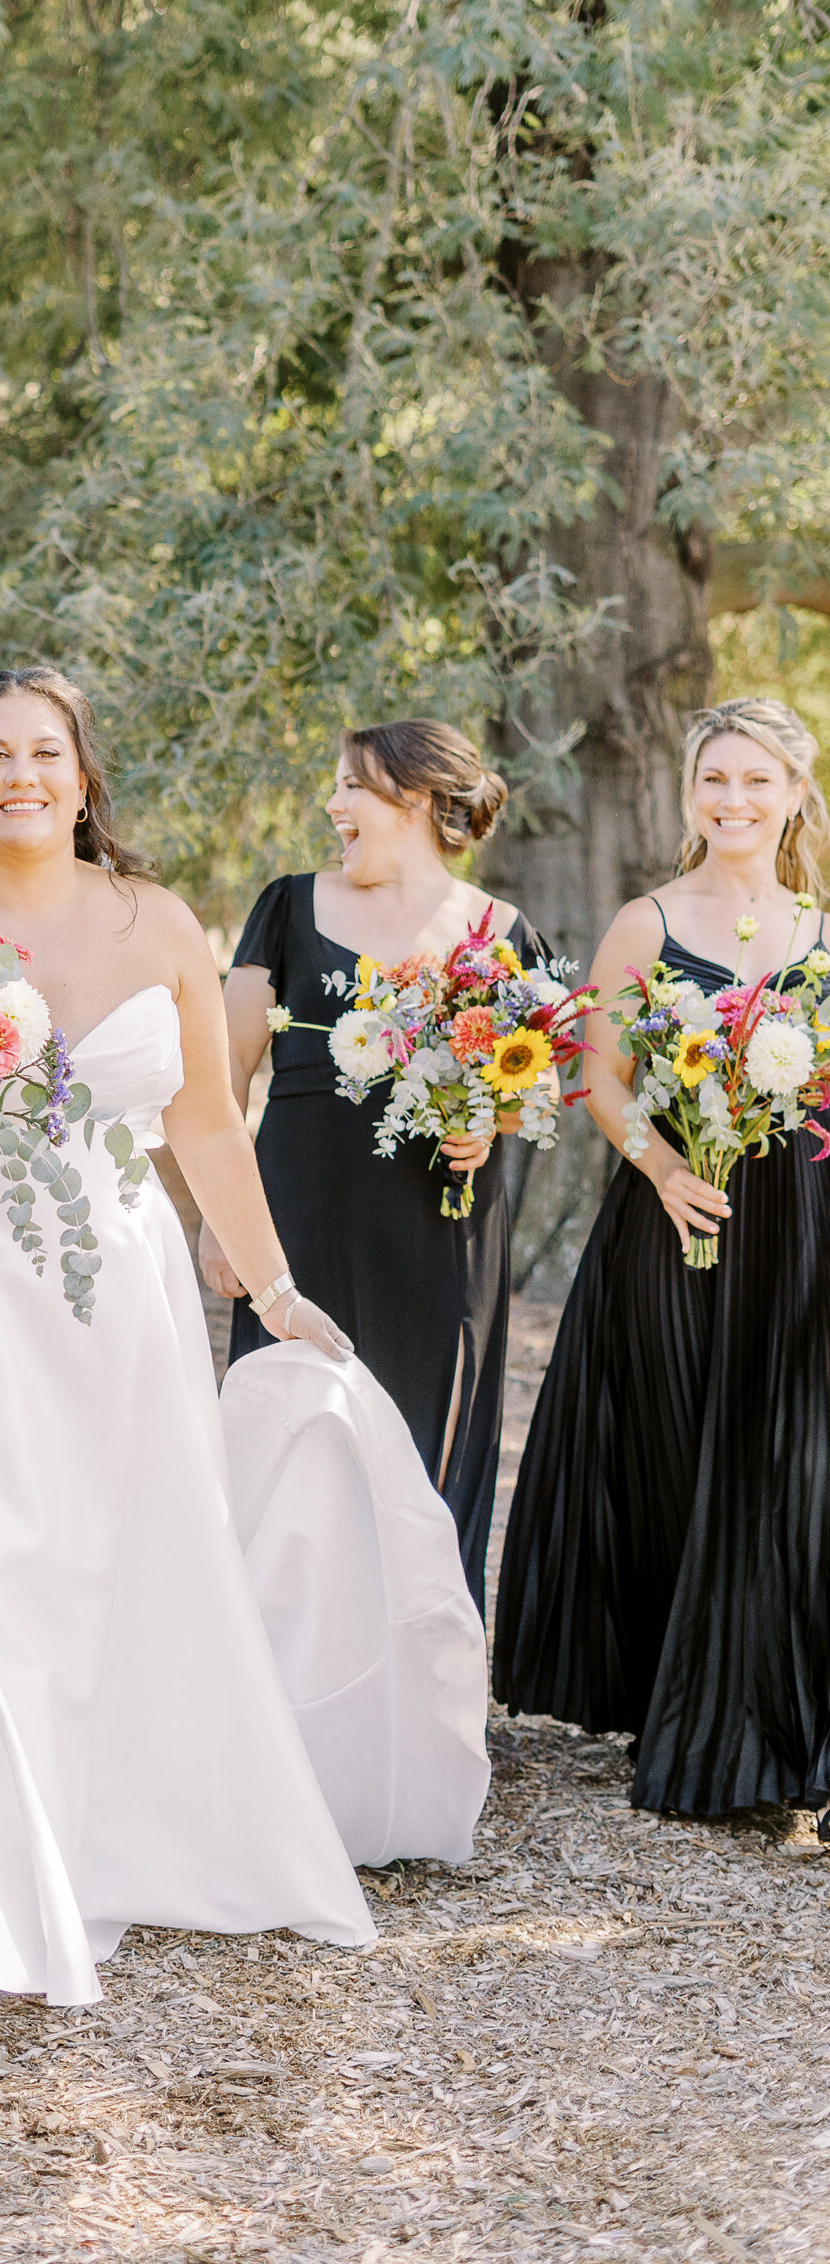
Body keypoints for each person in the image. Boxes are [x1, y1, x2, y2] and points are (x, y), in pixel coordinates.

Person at [0, 668, 491, 2015]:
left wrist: (271, 1289)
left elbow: (207, 1121)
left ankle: (88, 1824)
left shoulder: (158, 921)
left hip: (110, 1285)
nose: (19, 776)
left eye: (44, 752)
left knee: (95, 1548)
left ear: (84, 775)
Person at [494, 698, 830, 1830]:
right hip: (675, 1211)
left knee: (780, 1460)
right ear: (690, 796)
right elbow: (598, 1075)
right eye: (713, 781)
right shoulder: (646, 921)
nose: (732, 801)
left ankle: (768, 1720)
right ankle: (677, 1696)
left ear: (794, 791)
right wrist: (659, 1167)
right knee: (679, 1441)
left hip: (797, 1226)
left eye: (754, 780)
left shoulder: (823, 931)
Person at [199, 721, 547, 1606]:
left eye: (351, 785)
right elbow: (221, 1075)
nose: (333, 804)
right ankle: (282, 1689)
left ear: (416, 799)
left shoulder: (502, 931)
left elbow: (531, 1085)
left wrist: (491, 1119)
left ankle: (422, 1686)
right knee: (293, 1437)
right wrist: (217, 1218)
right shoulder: (285, 907)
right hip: (298, 1221)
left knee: (427, 1445)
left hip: (441, 1233)